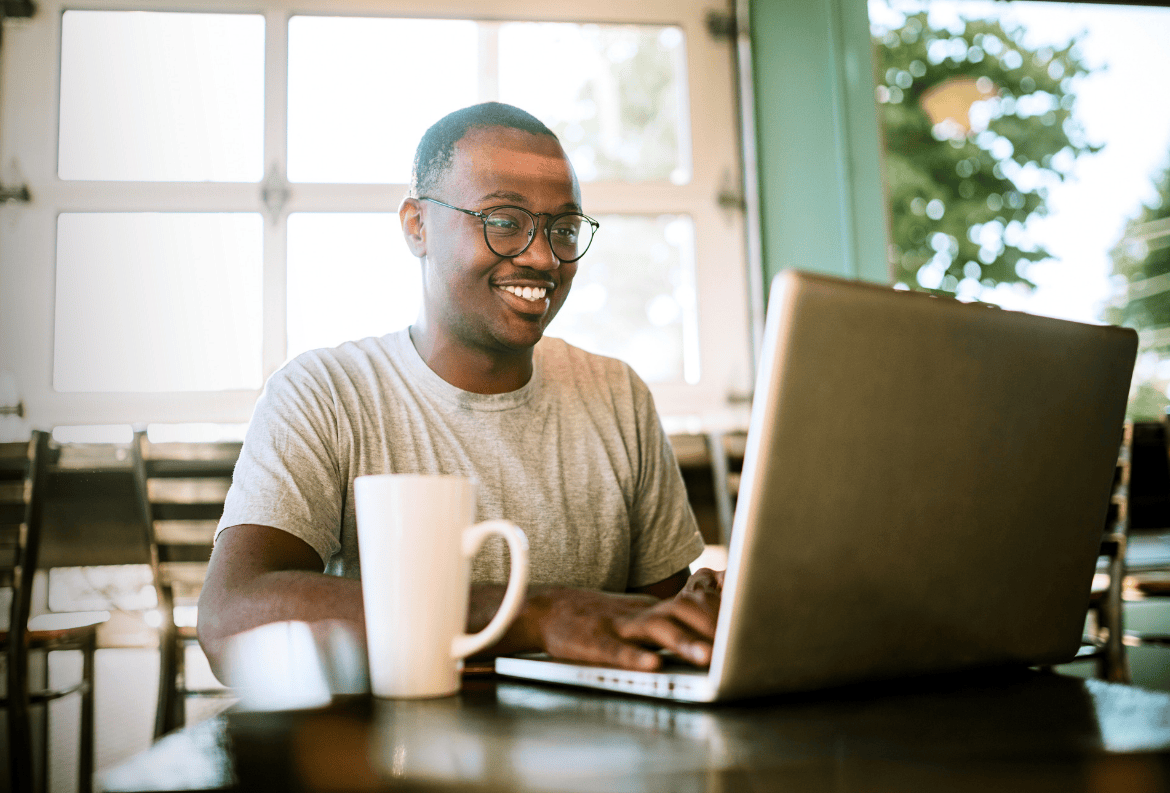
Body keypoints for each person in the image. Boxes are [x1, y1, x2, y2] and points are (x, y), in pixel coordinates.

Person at [197, 102, 723, 680]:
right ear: (416, 227)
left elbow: (654, 630)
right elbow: (233, 618)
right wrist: (536, 613)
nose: (544, 256)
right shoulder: (325, 395)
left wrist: (702, 615)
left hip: (590, 758)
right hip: (395, 758)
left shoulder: (617, 396)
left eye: (565, 229)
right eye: (504, 221)